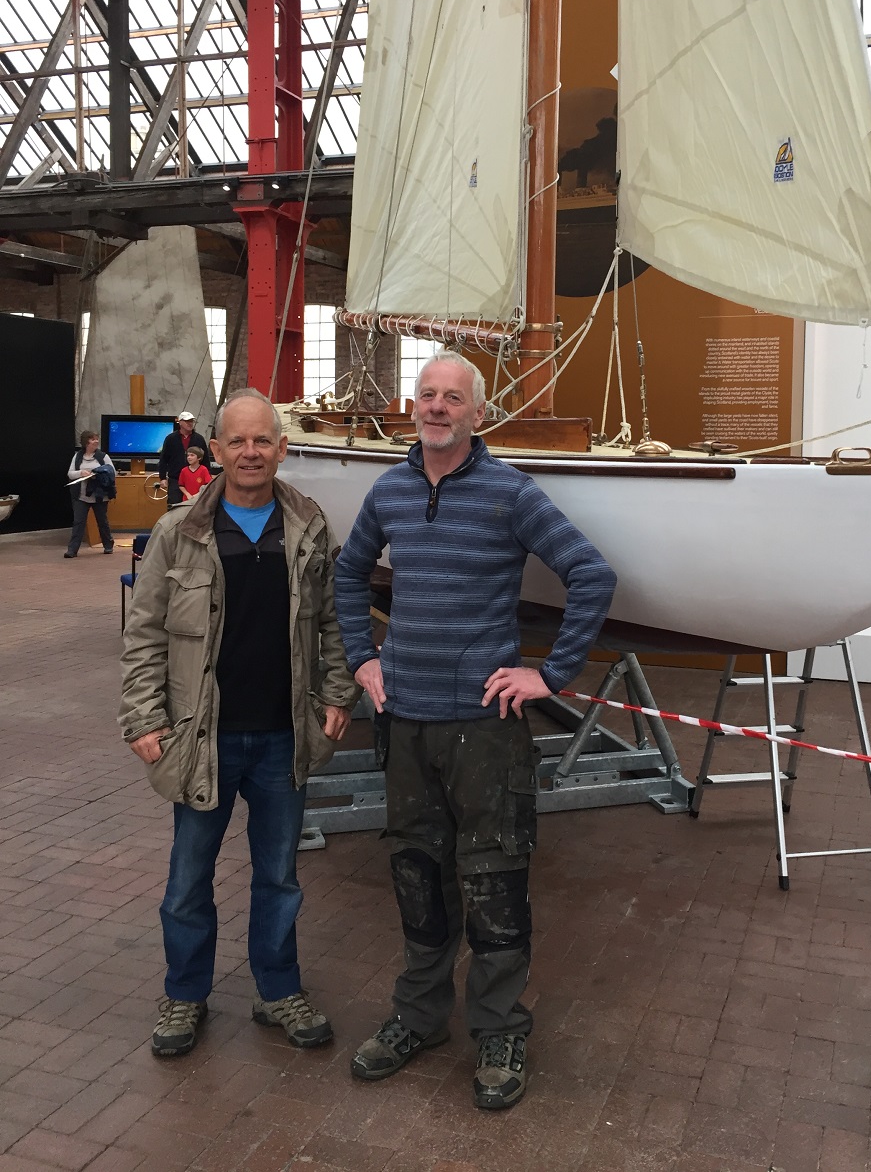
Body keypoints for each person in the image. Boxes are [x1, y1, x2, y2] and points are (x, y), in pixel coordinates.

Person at [334, 351, 617, 1111]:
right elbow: (348, 569)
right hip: (405, 721)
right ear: (412, 406)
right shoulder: (389, 489)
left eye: (452, 397)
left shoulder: (510, 493)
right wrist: (363, 658)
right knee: (419, 876)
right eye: (426, 394)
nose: (436, 407)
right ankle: (421, 1018)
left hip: (485, 730)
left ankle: (498, 1026)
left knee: (493, 880)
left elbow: (590, 573)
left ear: (477, 414)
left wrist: (549, 676)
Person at [120, 388, 359, 1059]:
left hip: (283, 734)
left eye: (263, 440)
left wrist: (338, 692)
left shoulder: (309, 527)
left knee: (279, 875)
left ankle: (277, 987)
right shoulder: (178, 533)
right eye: (238, 441)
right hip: (204, 737)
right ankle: (184, 993)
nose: (251, 452)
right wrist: (144, 715)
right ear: (215, 449)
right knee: (188, 878)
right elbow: (144, 637)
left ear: (282, 449)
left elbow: (335, 620)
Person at [65, 429, 116, 557]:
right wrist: (81, 473)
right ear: (86, 442)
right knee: (78, 522)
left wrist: (97, 474)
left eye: (97, 439)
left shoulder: (103, 456)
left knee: (102, 521)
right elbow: (70, 473)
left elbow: (112, 473)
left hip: (99, 495)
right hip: (81, 496)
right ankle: (72, 550)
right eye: (93, 439)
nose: (96, 441)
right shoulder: (77, 456)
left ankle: (108, 546)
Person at [158, 410, 210, 507]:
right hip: (175, 479)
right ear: (180, 422)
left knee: (196, 506)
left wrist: (208, 476)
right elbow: (164, 459)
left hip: (195, 479)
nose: (190, 423)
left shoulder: (199, 439)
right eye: (187, 421)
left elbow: (205, 459)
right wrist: (162, 477)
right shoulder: (170, 438)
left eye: (191, 421)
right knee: (174, 506)